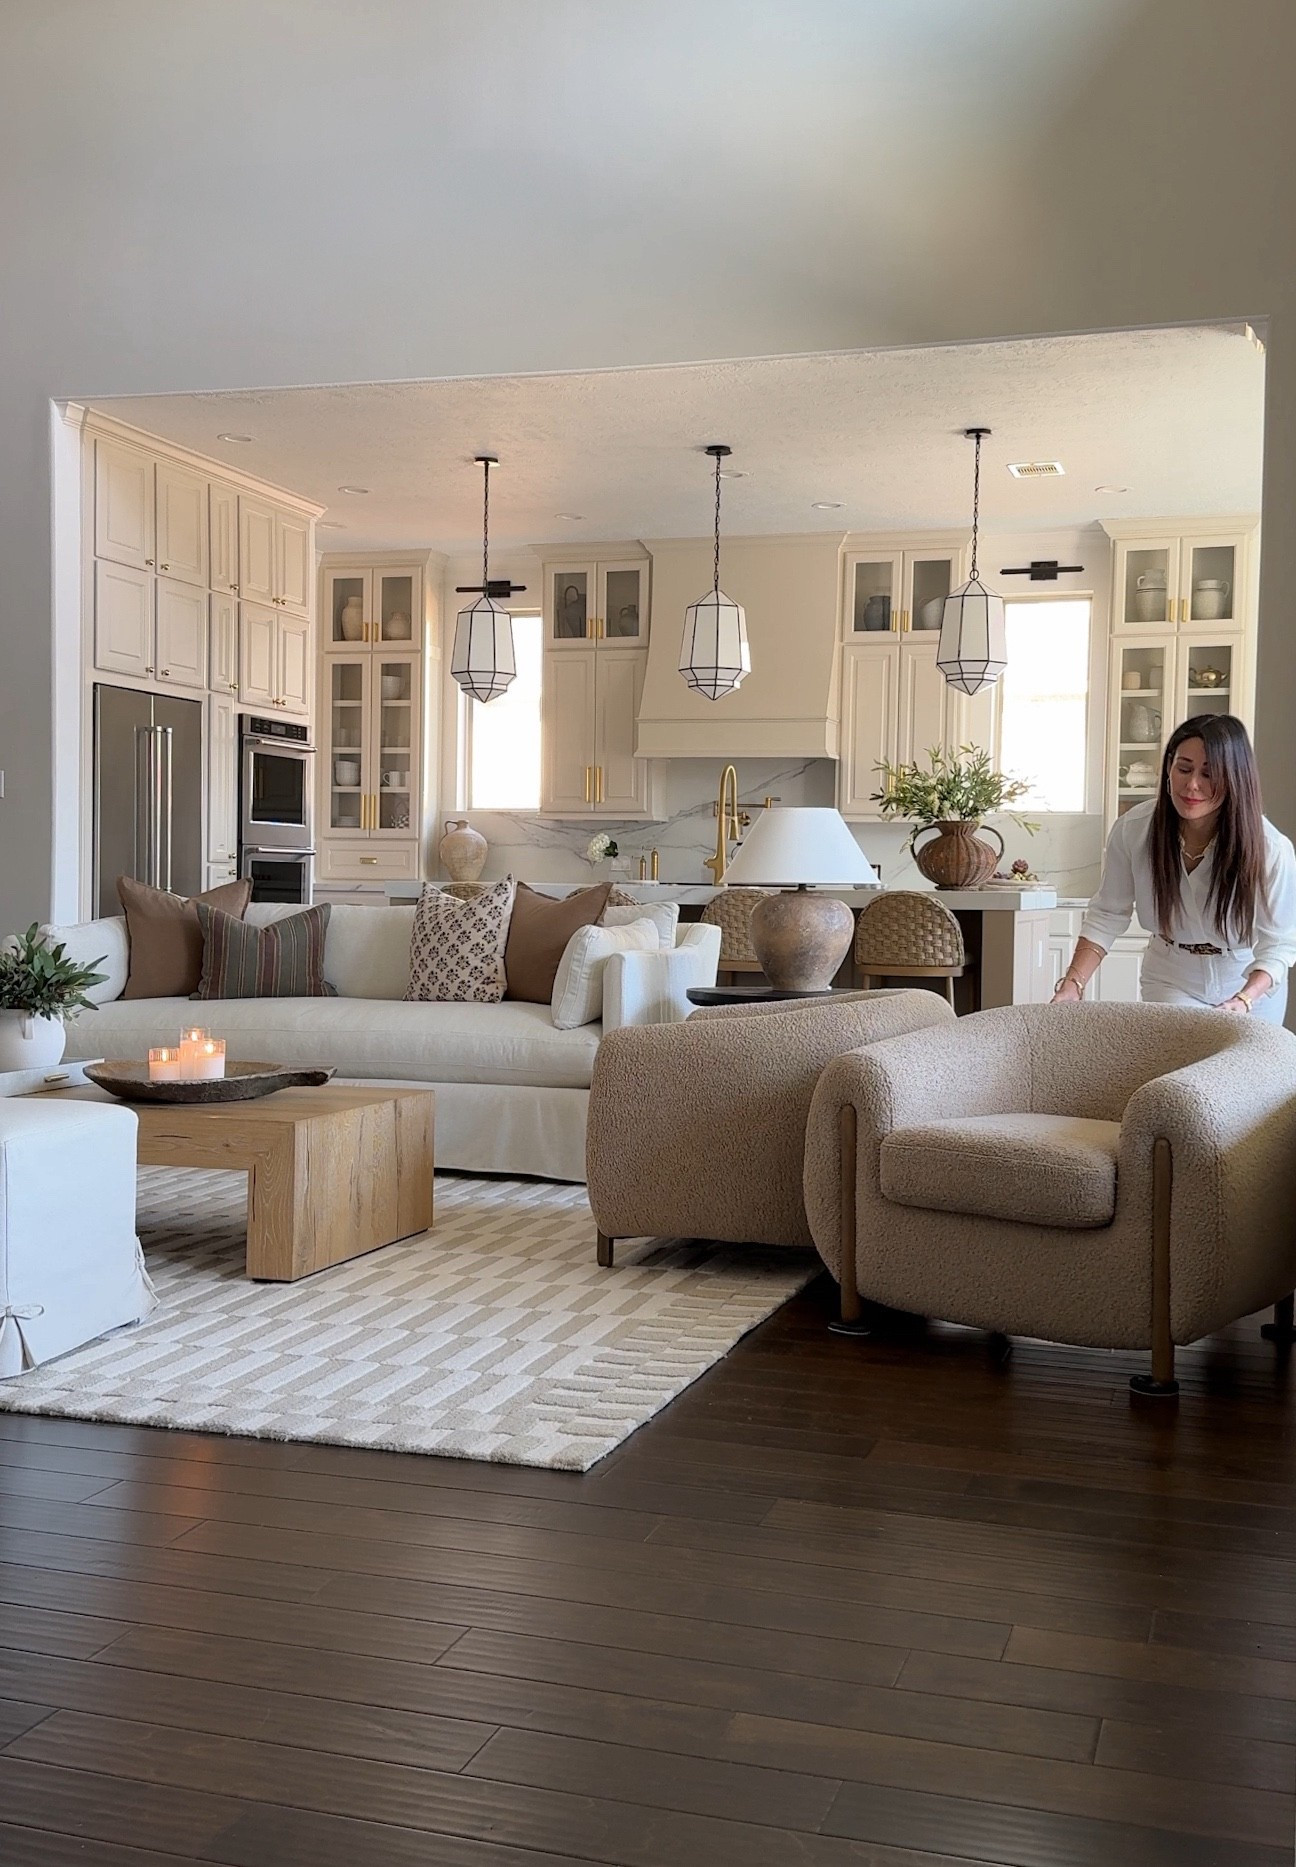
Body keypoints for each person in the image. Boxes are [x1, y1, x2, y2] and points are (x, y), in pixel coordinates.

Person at [1053, 714, 1296, 1023]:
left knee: (1247, 1056)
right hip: (1172, 976)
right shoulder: (1134, 830)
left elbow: (1279, 943)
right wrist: (1073, 985)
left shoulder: (1270, 848)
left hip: (1246, 981)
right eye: (1184, 768)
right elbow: (1107, 914)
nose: (1192, 784)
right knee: (1184, 1053)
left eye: (1209, 774)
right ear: (1169, 768)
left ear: (1235, 778)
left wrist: (1245, 999)